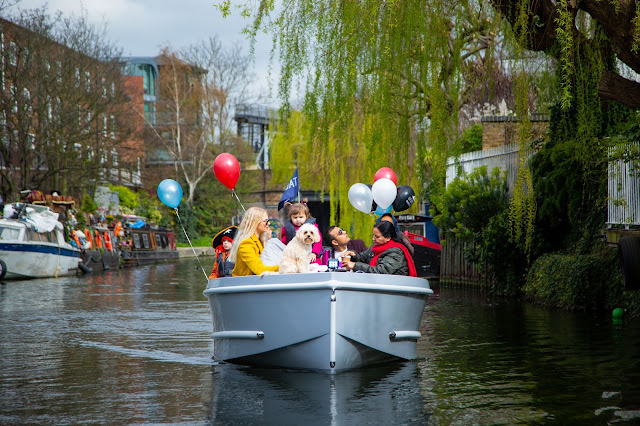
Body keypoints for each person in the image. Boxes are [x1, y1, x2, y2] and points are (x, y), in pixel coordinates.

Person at [342, 221, 417, 276]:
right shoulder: (376, 245)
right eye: (373, 235)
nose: (373, 239)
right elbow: (363, 258)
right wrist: (353, 255)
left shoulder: (396, 251)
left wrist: (354, 265)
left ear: (388, 238)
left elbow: (380, 271)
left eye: (377, 237)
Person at [229, 207, 280, 276]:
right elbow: (259, 270)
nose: (269, 223)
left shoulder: (260, 241)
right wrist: (284, 266)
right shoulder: (246, 244)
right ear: (255, 223)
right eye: (265, 221)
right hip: (244, 284)